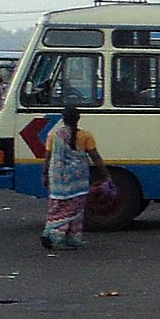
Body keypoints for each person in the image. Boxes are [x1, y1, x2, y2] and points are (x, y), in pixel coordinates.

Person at [38, 105, 107, 250]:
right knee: (75, 210)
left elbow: (48, 158)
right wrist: (106, 175)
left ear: (63, 120)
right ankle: (67, 238)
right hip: (78, 181)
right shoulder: (86, 136)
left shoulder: (53, 136)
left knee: (57, 207)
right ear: (78, 119)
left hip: (58, 180)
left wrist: (45, 175)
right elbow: (95, 157)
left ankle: (51, 233)